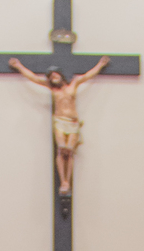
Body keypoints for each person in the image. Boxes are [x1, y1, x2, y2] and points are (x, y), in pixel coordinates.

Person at [7, 56, 109, 205]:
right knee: (61, 149)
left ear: (61, 75)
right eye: (51, 77)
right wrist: (19, 66)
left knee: (70, 151)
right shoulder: (52, 89)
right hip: (60, 121)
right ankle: (63, 181)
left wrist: (100, 65)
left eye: (55, 75)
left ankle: (68, 179)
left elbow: (88, 76)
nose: (54, 79)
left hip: (73, 122)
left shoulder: (74, 84)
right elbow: (34, 78)